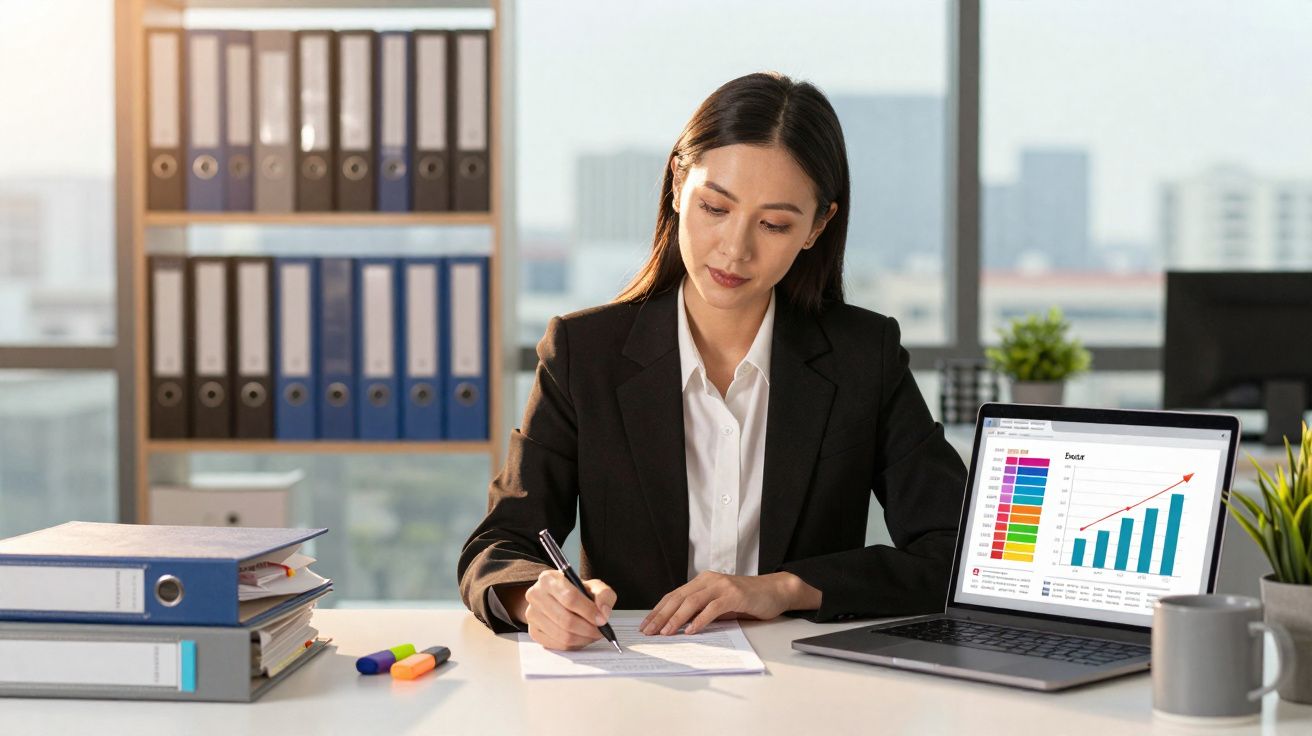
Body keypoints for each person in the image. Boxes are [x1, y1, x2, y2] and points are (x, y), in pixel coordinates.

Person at [458, 71, 966, 650]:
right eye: (715, 207)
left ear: (817, 226)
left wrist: (785, 588)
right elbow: (497, 547)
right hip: (636, 681)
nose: (735, 249)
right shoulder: (584, 353)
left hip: (808, 683)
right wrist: (535, 599)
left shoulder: (862, 357)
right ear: (678, 184)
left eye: (774, 224)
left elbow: (955, 551)